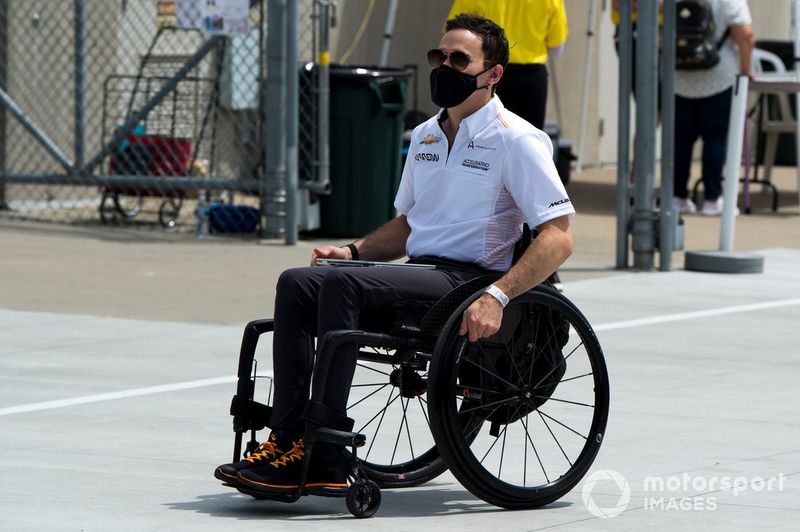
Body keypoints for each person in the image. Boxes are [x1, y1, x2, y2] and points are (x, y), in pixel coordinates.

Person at [214, 13, 575, 495]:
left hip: (467, 279)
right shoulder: (425, 135)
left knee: (343, 285)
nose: (445, 66)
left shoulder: (517, 139)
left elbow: (558, 235)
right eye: (439, 56)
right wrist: (352, 249)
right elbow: (407, 227)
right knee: (298, 279)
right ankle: (286, 437)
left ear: (493, 74)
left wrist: (499, 295)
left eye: (460, 59)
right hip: (420, 272)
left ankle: (325, 451)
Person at [673, 0, 754, 216]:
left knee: (680, 141)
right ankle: (712, 199)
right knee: (715, 139)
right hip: (719, 75)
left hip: (679, 75)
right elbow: (745, 34)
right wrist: (746, 72)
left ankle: (677, 196)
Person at [447, 0, 568, 130]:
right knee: (528, 140)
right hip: (530, 77)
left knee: (478, 136)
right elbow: (556, 48)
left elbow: (454, 33)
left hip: (487, 73)